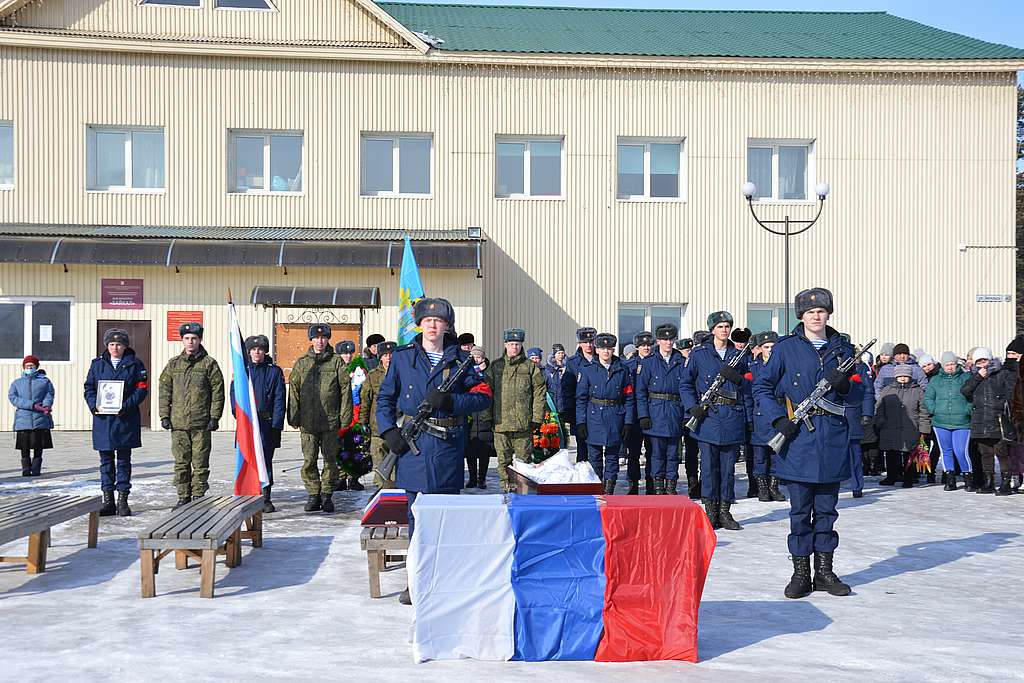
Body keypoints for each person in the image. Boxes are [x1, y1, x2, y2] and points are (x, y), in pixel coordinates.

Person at [376, 297, 493, 605]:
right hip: (413, 449)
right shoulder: (402, 358)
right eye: (427, 320)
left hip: (446, 449)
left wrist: (453, 402)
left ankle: (442, 579)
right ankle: (415, 580)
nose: (432, 325)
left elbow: (483, 397)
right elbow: (385, 399)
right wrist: (389, 432)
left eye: (438, 321)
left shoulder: (458, 360)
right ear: (419, 324)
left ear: (446, 326)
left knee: (445, 517)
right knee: (416, 517)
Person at [752, 288, 855, 599]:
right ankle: (800, 574)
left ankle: (824, 572)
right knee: (799, 513)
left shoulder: (843, 350)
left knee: (827, 512)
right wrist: (776, 419)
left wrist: (846, 387)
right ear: (801, 316)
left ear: (828, 314)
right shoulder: (786, 349)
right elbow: (762, 386)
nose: (816, 316)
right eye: (810, 312)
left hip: (832, 441)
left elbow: (862, 395)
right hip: (798, 440)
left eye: (821, 311)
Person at [682, 311, 751, 531]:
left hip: (732, 416)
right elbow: (685, 384)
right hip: (708, 417)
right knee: (710, 467)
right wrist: (692, 407)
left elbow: (750, 386)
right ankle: (710, 510)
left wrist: (738, 379)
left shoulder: (738, 354)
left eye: (727, 326)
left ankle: (725, 511)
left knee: (728, 467)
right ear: (712, 329)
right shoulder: (700, 354)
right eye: (720, 326)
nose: (724, 330)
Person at [287, 324, 352, 513]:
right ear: (311, 340)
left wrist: (344, 418)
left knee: (330, 460)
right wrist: (293, 416)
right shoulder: (302, 363)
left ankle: (327, 495)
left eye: (323, 338)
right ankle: (313, 494)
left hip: (331, 422)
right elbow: (294, 392)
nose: (320, 341)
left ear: (328, 340)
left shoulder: (337, 362)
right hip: (308, 423)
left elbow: (345, 391)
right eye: (316, 338)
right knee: (309, 460)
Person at [159, 322, 225, 509]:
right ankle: (183, 495)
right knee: (181, 462)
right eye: (187, 338)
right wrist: (164, 414)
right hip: (178, 423)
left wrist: (214, 417)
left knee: (200, 462)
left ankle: (198, 495)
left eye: (194, 339)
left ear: (200, 340)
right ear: (182, 340)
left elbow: (217, 391)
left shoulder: (209, 364)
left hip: (201, 423)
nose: (190, 342)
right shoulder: (173, 364)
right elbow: (165, 390)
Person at [84, 328, 149, 516]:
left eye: (119, 344)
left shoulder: (135, 364)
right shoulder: (97, 365)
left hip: (124, 419)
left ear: (125, 346)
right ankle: (108, 500)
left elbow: (141, 389)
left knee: (123, 461)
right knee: (105, 462)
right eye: (111, 344)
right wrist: (94, 405)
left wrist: (126, 406)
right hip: (103, 420)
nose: (115, 347)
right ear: (107, 345)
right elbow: (89, 388)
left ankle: (122, 500)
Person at [230, 334, 286, 513]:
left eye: (260, 349)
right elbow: (234, 395)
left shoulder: (274, 371)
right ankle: (248, 494)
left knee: (265, 461)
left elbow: (279, 397)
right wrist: (238, 415)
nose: (256, 352)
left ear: (265, 351)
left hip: (266, 423)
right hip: (248, 424)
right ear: (248, 352)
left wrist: (276, 423)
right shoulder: (242, 370)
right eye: (253, 349)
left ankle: (265, 496)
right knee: (247, 459)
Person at [488, 328, 547, 492]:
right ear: (505, 345)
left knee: (523, 464)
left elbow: (539, 392)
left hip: (523, 424)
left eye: (517, 344)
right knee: (503, 462)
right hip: (500, 424)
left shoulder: (530, 367)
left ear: (522, 346)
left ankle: (521, 494)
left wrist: (537, 418)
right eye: (511, 344)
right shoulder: (495, 366)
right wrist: (487, 417)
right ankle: (506, 491)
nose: (514, 347)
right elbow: (487, 391)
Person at [575, 333, 634, 492]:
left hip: (615, 415)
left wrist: (628, 421)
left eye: (609, 348)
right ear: (597, 349)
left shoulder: (622, 369)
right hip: (594, 415)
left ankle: (609, 489)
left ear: (613, 349)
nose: (606, 352)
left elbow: (629, 397)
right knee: (594, 457)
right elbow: (581, 398)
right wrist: (580, 421)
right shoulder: (587, 370)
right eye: (602, 348)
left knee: (612, 457)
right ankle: (596, 487)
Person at [636, 324, 686, 495]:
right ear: (658, 341)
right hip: (655, 413)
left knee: (673, 455)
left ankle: (671, 487)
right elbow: (641, 392)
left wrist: (686, 414)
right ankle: (658, 487)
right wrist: (643, 415)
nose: (668, 343)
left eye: (671, 339)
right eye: (664, 339)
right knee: (656, 455)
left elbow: (687, 390)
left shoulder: (681, 361)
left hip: (675, 412)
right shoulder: (649, 362)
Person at [961, 346, 1016, 494]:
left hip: (998, 419)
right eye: (979, 361)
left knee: (1001, 452)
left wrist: (1003, 409)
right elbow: (965, 391)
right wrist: (978, 376)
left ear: (990, 360)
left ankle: (1006, 482)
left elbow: (1010, 394)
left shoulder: (1002, 373)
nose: (982, 364)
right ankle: (988, 481)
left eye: (984, 360)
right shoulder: (973, 376)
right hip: (980, 421)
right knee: (985, 453)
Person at [875, 365, 930, 488]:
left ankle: (909, 478)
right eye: (900, 376)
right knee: (891, 454)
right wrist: (880, 421)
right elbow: (879, 408)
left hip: (910, 428)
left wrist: (924, 429)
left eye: (906, 376)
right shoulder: (887, 390)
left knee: (909, 454)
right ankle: (891, 477)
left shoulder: (918, 391)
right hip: (890, 427)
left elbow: (924, 411)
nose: (903, 378)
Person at [924, 351, 973, 491]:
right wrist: (935, 409)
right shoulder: (935, 380)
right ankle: (950, 479)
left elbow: (972, 397)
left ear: (956, 364)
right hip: (941, 422)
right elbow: (928, 398)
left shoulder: (965, 377)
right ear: (942, 366)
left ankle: (968, 476)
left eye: (952, 364)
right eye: (947, 364)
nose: (950, 367)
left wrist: (967, 409)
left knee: (960, 451)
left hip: (962, 422)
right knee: (946, 451)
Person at [749, 331, 786, 502]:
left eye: (773, 347)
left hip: (780, 412)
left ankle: (774, 486)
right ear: (760, 349)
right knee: (760, 455)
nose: (770, 350)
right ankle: (762, 487)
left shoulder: (784, 366)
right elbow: (749, 395)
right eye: (766, 347)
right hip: (760, 414)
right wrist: (749, 419)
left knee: (777, 454)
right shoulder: (753, 368)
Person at [838, 333, 875, 499]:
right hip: (831, 415)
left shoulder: (859, 368)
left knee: (854, 454)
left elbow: (868, 392)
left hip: (852, 413)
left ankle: (857, 486)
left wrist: (867, 413)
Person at [359, 341, 396, 490]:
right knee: (379, 462)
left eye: (391, 354)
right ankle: (381, 491)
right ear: (380, 357)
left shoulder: (402, 374)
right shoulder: (373, 376)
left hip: (397, 426)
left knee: (396, 464)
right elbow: (366, 400)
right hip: (377, 427)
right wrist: (363, 422)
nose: (388, 358)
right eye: (385, 355)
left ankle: (395, 491)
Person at [8, 355, 54, 477]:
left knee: (38, 444)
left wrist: (46, 406)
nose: (29, 368)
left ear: (36, 367)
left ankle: (36, 467)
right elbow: (13, 398)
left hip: (40, 419)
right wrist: (32, 405)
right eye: (27, 366)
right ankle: (26, 468)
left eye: (32, 366)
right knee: (24, 445)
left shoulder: (45, 382)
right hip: (23, 419)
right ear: (23, 367)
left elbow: (49, 395)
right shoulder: (17, 383)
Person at [334, 339, 365, 492]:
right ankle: (340, 478)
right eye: (344, 353)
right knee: (339, 448)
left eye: (349, 353)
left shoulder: (359, 371)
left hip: (355, 413)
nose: (347, 356)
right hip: (339, 413)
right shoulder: (334, 369)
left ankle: (353, 478)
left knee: (355, 446)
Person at [562, 327, 598, 462]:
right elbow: (567, 389)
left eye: (591, 341)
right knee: (582, 447)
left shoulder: (601, 358)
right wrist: (569, 412)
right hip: (580, 410)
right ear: (580, 343)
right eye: (585, 342)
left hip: (598, 409)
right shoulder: (573, 363)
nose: (588, 345)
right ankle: (582, 476)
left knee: (596, 448)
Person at [625, 331, 654, 494]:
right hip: (635, 415)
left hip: (653, 412)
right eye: (643, 345)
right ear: (637, 347)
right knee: (633, 453)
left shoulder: (657, 362)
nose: (646, 348)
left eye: (649, 345)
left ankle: (651, 484)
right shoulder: (629, 364)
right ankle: (633, 484)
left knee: (652, 452)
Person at [465, 345, 495, 489]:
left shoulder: (490, 374)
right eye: (474, 357)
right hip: (471, 417)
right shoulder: (466, 373)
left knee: (485, 451)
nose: (477, 360)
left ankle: (482, 479)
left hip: (485, 416)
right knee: (470, 451)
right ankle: (472, 478)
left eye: (479, 357)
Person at [675, 337, 701, 499]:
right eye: (686, 351)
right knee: (688, 452)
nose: (689, 353)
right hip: (681, 414)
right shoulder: (679, 365)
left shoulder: (696, 365)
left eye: (691, 350)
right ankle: (692, 483)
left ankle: (700, 485)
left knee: (698, 451)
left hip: (696, 413)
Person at [544, 343, 567, 425]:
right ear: (554, 355)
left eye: (562, 353)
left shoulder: (567, 367)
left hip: (564, 404)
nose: (561, 355)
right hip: (552, 402)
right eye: (558, 353)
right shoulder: (548, 369)